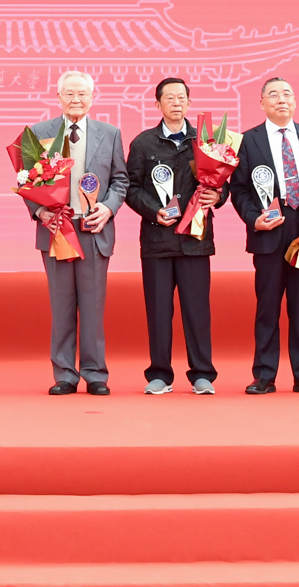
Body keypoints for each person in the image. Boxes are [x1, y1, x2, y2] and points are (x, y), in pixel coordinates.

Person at [227, 76, 299, 395]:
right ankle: (264, 374)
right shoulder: (248, 141)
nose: (281, 99)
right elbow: (239, 189)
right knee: (267, 306)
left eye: (287, 94)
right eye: (273, 95)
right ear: (262, 103)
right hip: (268, 227)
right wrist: (253, 219)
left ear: (295, 101)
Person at [29, 71, 129, 396]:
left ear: (92, 98)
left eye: (82, 94)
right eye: (69, 94)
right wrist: (40, 211)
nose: (76, 99)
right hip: (57, 229)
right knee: (61, 307)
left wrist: (108, 208)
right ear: (58, 97)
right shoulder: (38, 133)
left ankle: (95, 373)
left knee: (93, 306)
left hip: (93, 230)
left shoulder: (110, 133)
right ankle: (65, 374)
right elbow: (27, 179)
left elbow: (121, 180)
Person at [124, 78, 218, 395]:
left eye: (181, 98)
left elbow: (222, 184)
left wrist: (218, 196)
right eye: (169, 98)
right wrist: (155, 211)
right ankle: (160, 374)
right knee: (158, 311)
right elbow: (131, 188)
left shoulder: (206, 142)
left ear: (189, 103)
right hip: (157, 240)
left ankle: (202, 374)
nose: (176, 103)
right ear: (158, 104)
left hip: (195, 239)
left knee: (197, 310)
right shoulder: (143, 143)